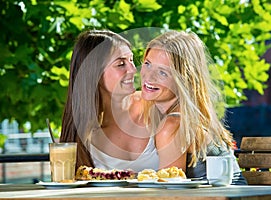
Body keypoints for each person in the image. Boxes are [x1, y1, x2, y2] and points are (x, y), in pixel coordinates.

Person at [140, 30, 247, 184]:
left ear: (183, 80)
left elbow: (169, 193)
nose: (148, 76)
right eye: (147, 64)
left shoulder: (172, 126)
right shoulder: (189, 118)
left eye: (163, 73)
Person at [60, 29, 159, 172]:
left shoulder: (156, 106)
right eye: (121, 64)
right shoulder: (82, 136)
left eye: (131, 60)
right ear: (94, 74)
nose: (133, 70)